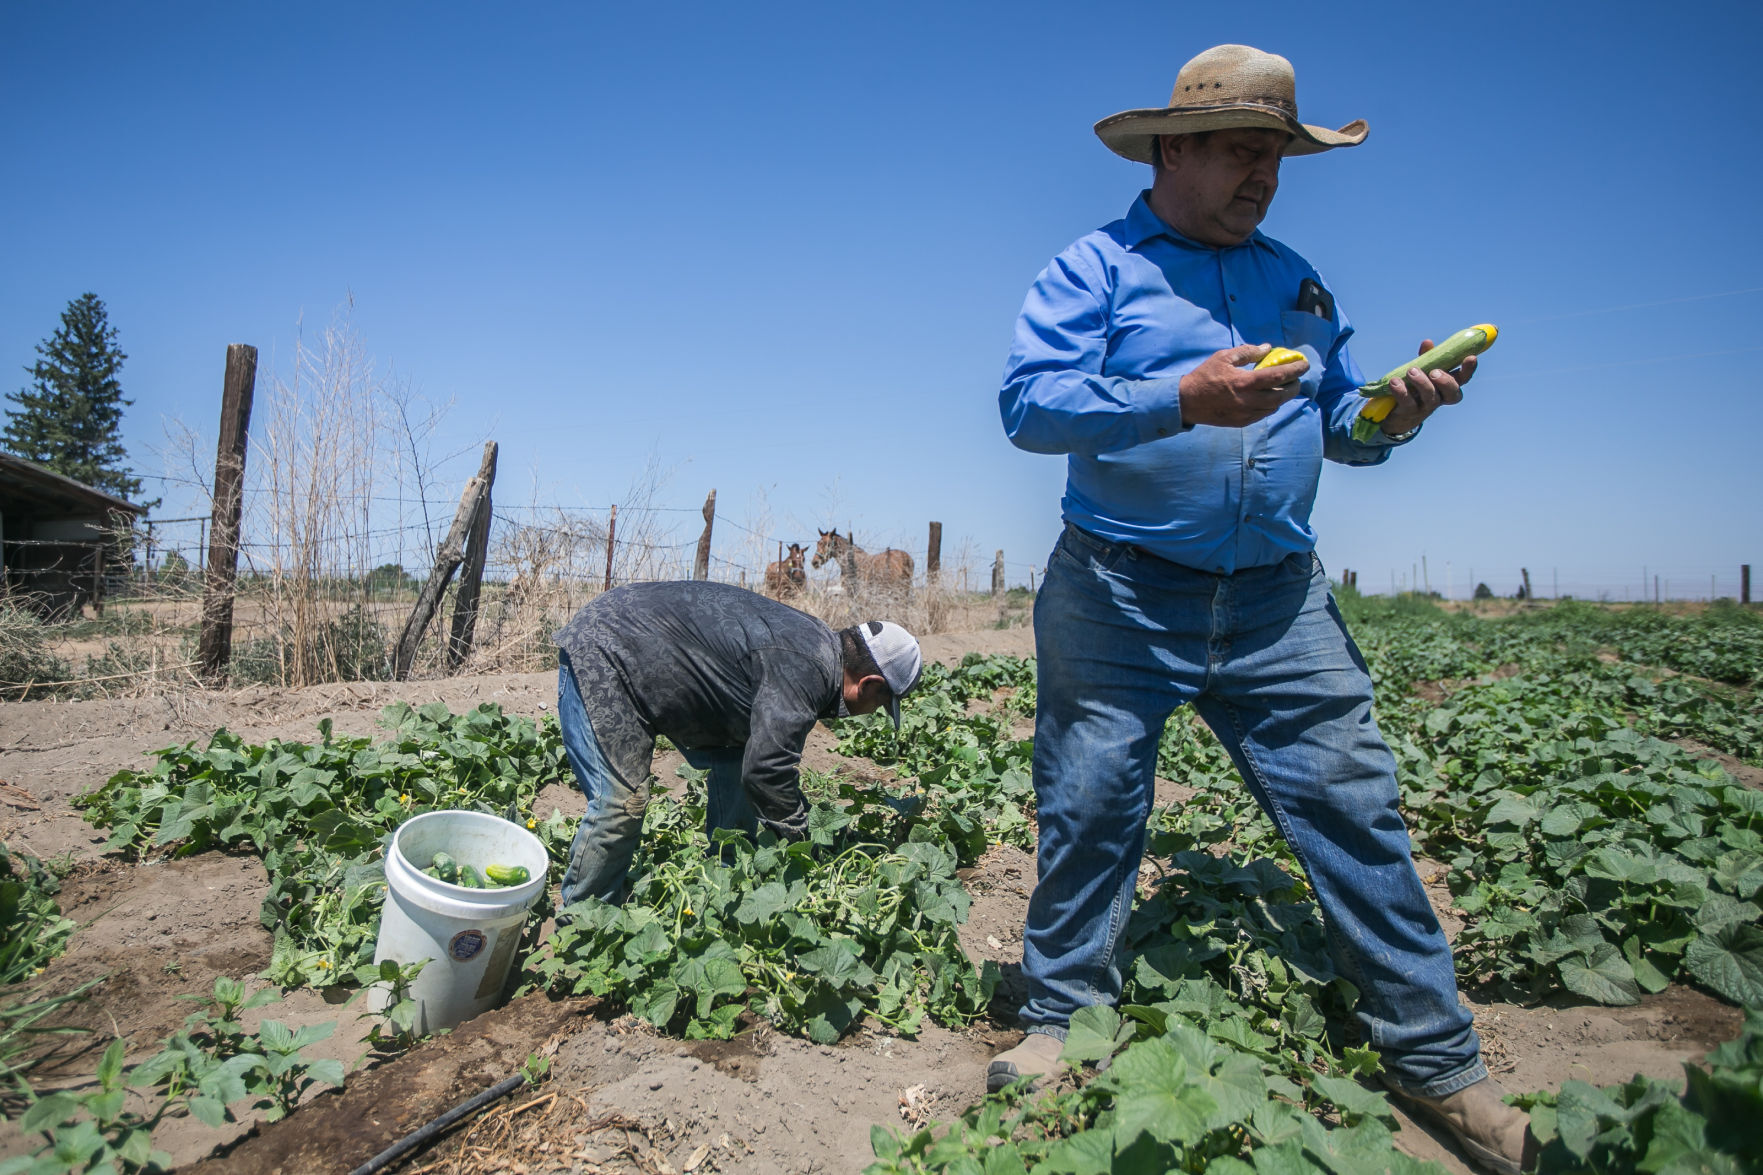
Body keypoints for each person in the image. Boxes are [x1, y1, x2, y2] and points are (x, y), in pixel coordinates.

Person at [992, 44, 1527, 1175]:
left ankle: (1436, 1063)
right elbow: (1028, 406)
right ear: (1172, 149)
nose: (1265, 177)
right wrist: (1184, 396)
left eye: (1278, 156)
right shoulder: (1092, 268)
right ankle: (1058, 1025)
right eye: (1243, 152)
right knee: (1088, 809)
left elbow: (1336, 423)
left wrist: (1393, 413)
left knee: (1355, 811)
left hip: (1280, 601)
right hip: (1117, 592)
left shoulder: (1298, 277)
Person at [551, 580, 923, 908]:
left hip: (638, 640)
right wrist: (804, 844)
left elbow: (759, 759)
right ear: (870, 683)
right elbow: (768, 770)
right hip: (607, 649)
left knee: (739, 752)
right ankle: (584, 922)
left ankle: (725, 876)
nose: (873, 711)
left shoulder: (817, 646)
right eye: (881, 703)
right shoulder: (807, 666)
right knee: (620, 804)